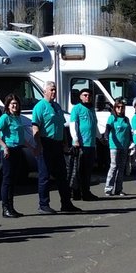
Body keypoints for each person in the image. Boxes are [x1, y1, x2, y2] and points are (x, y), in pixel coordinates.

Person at [31, 80, 79, 213]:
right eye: (51, 90)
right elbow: (35, 128)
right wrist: (38, 145)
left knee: (62, 175)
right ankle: (43, 204)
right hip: (45, 143)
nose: (53, 92)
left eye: (55, 90)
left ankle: (66, 203)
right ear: (44, 91)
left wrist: (65, 143)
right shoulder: (40, 107)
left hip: (58, 144)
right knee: (45, 176)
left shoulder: (57, 107)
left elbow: (62, 126)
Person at [0, 93, 24, 218]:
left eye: (16, 103)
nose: (14, 106)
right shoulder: (5, 117)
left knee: (13, 180)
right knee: (7, 180)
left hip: (18, 150)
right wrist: (4, 146)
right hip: (9, 151)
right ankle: (5, 208)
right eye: (12, 104)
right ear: (8, 105)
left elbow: (20, 136)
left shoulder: (17, 117)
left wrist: (31, 146)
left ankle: (11, 207)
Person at [68, 87, 100, 200]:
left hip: (91, 144)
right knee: (78, 171)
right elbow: (73, 124)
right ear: (80, 97)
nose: (87, 97)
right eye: (85, 95)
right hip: (81, 145)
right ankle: (77, 193)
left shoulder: (91, 109)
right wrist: (75, 139)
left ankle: (86, 191)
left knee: (87, 171)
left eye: (89, 95)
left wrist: (100, 137)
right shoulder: (76, 108)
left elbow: (94, 125)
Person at [104, 101, 132, 196]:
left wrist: (131, 142)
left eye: (122, 107)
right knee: (114, 166)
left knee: (121, 167)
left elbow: (129, 131)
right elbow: (107, 129)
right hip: (114, 146)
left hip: (124, 146)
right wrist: (106, 137)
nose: (120, 109)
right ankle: (108, 188)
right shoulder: (112, 118)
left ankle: (118, 189)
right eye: (118, 107)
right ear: (115, 108)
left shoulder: (126, 119)